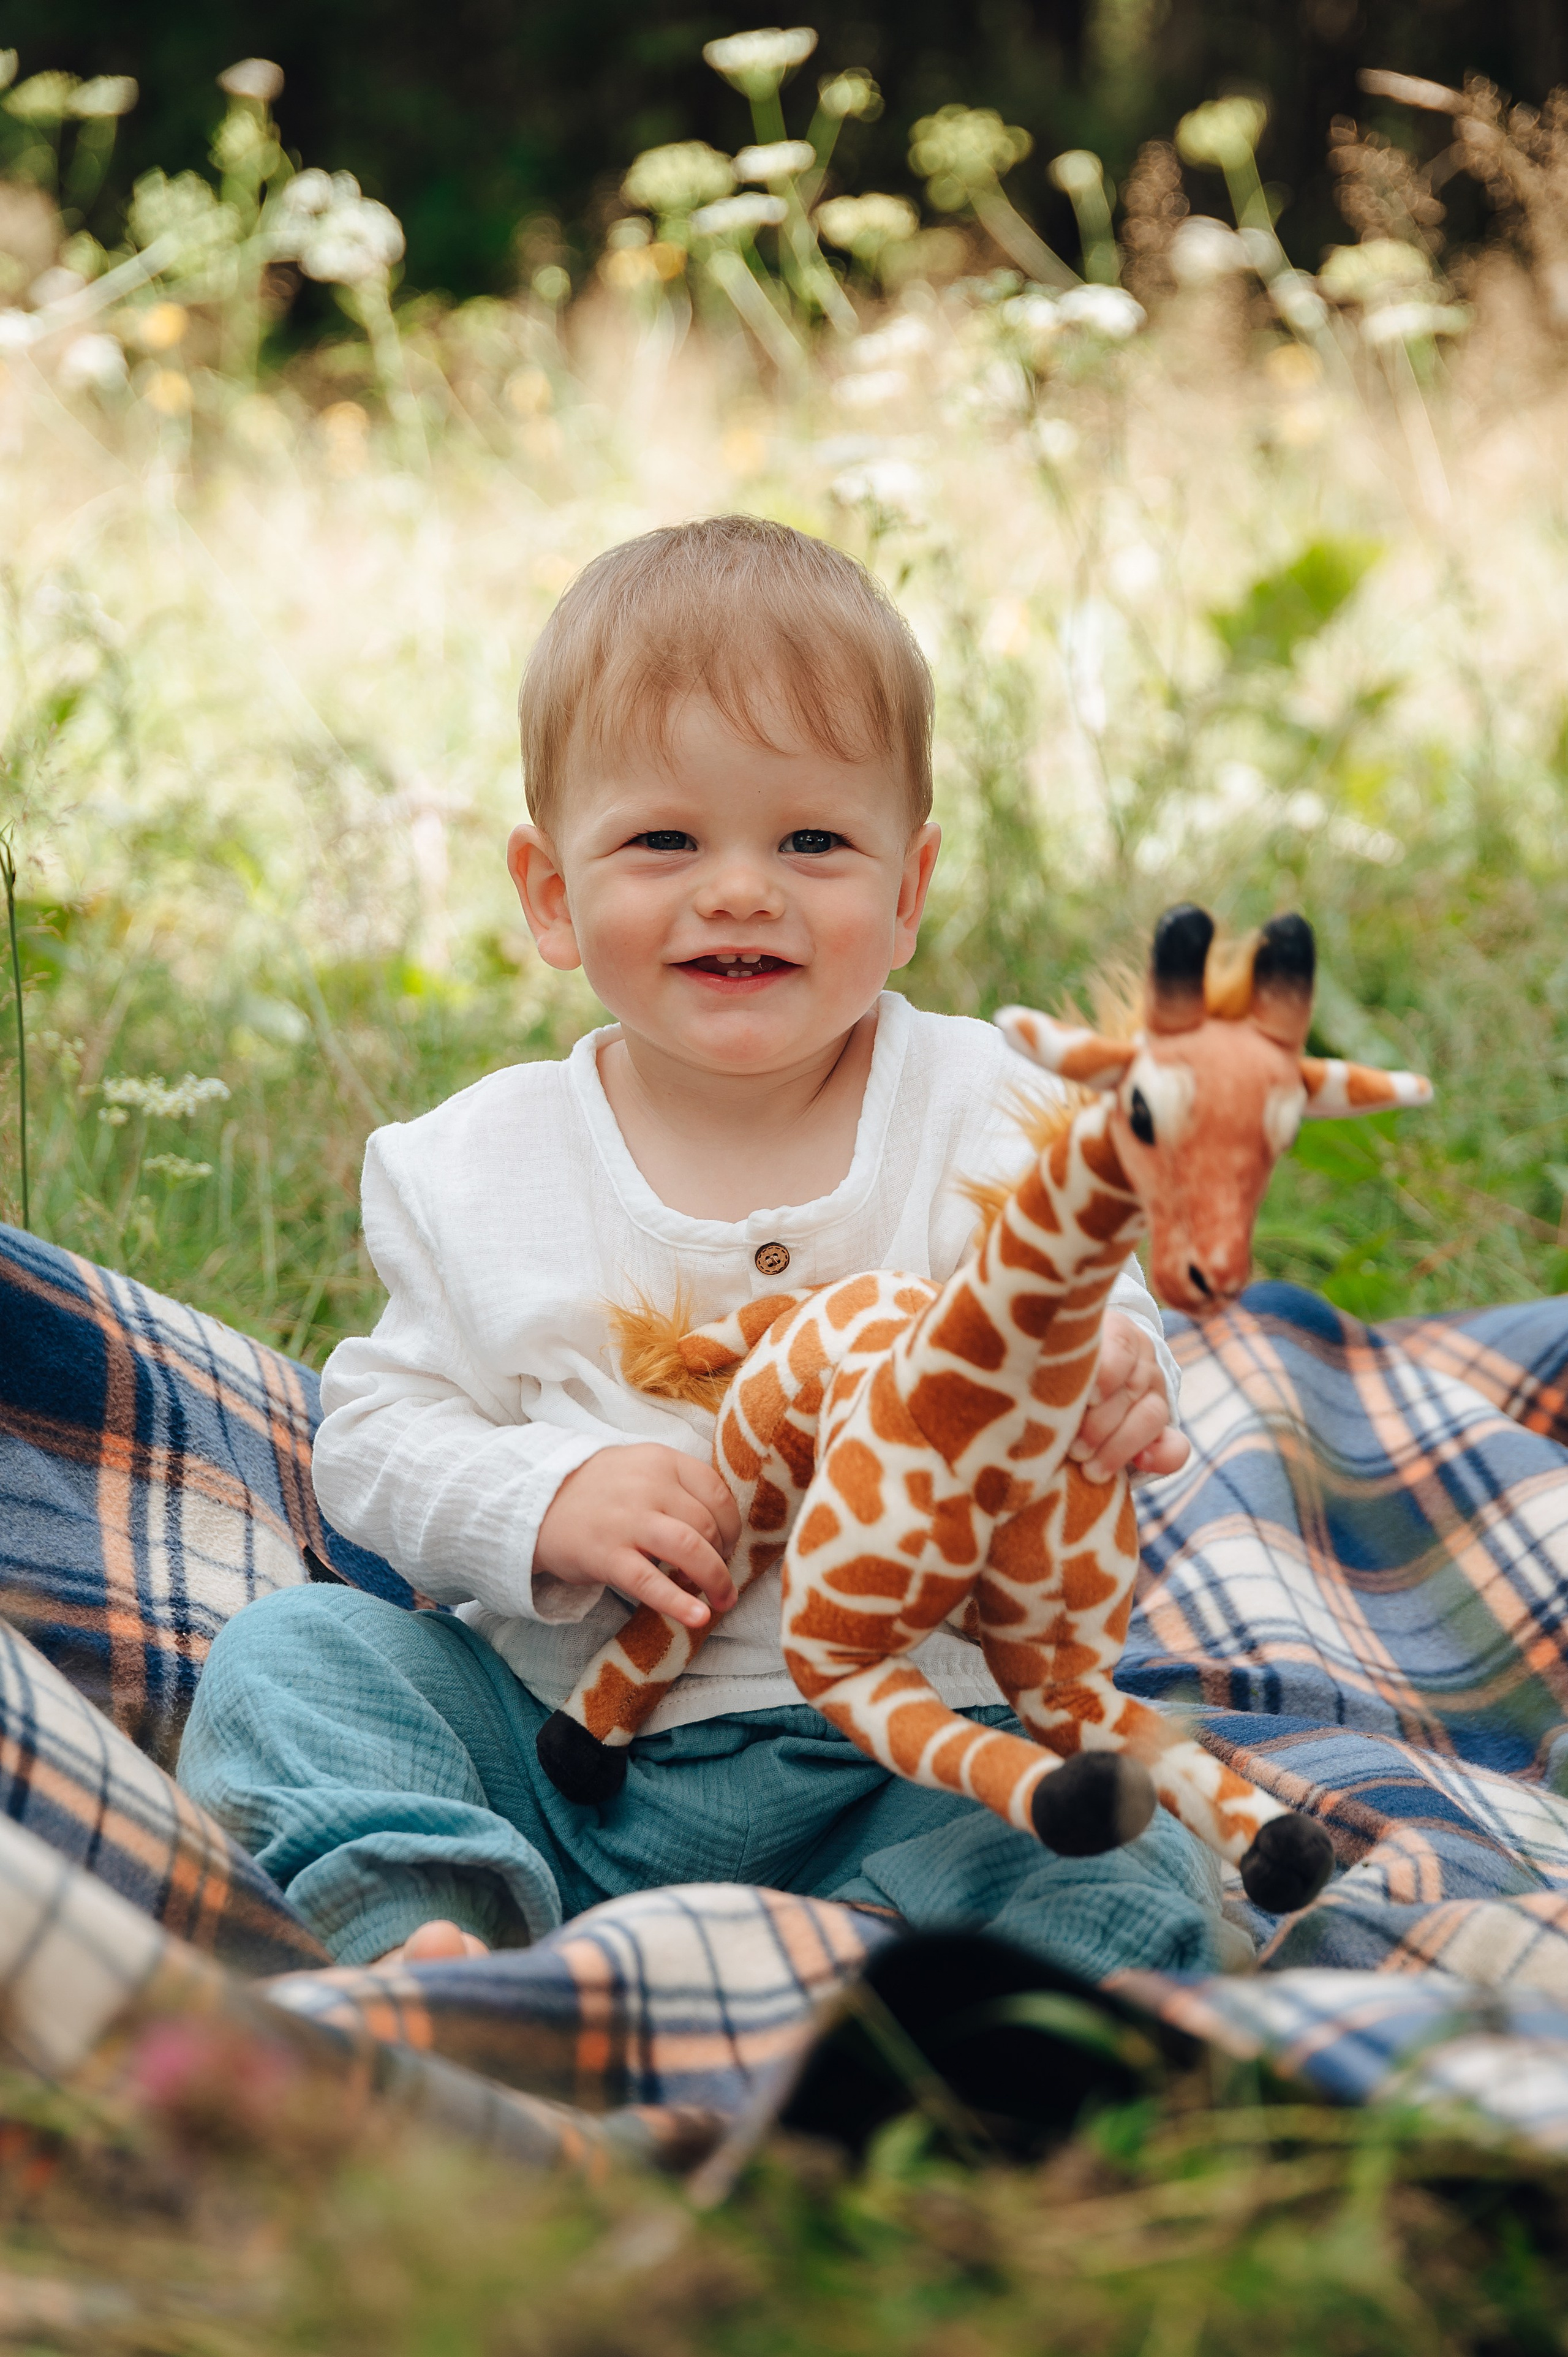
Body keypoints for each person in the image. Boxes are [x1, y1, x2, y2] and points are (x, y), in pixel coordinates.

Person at [178, 517, 1217, 1979]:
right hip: (552, 1747)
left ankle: (939, 2013)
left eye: (811, 840)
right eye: (663, 839)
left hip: (911, 1756)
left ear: (908, 889)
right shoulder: (474, 1166)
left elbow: (1082, 1303)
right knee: (290, 1660)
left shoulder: (993, 1107)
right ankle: (437, 1932)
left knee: (1122, 1826)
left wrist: (1108, 1367)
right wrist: (547, 1496)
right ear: (550, 894)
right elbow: (375, 1438)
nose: (739, 888)